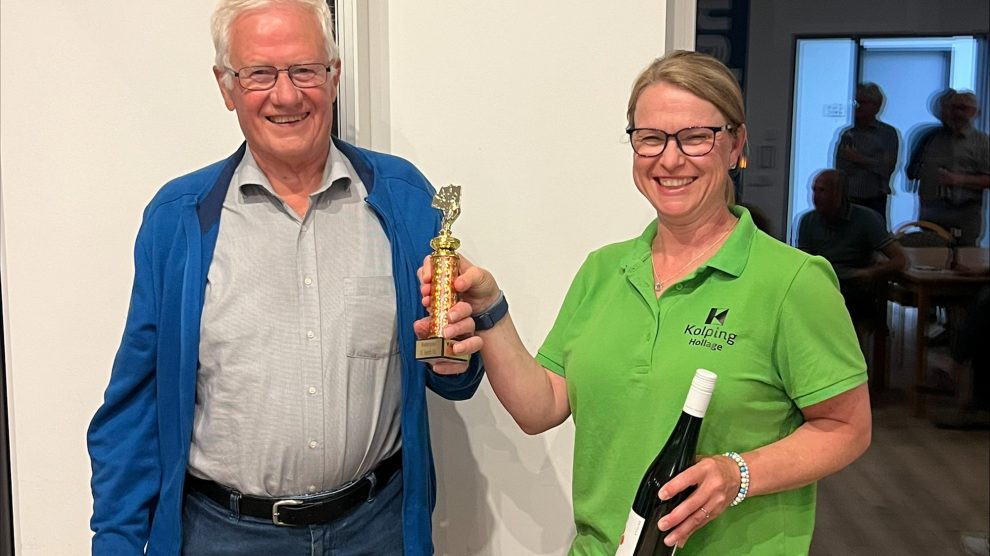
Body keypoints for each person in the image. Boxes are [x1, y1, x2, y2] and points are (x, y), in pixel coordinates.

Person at [416, 50, 872, 554]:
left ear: (735, 144)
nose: (670, 159)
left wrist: (737, 473)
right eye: (650, 138)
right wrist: (489, 306)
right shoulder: (604, 269)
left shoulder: (793, 282)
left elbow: (846, 427)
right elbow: (539, 407)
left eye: (696, 137)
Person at [86, 1, 484, 554]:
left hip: (376, 530)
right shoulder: (178, 220)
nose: (287, 95)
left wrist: (457, 357)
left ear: (334, 76)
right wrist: (117, 542)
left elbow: (452, 372)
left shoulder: (405, 200)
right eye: (260, 74)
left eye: (304, 70)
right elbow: (134, 407)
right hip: (223, 535)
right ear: (226, 87)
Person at [797, 169, 907, 338]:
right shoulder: (808, 221)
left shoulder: (866, 219)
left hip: (855, 284)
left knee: (846, 301)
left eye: (822, 190)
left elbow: (899, 260)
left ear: (838, 193)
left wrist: (869, 272)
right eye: (814, 190)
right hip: (822, 282)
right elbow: (805, 260)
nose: (815, 196)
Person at [907, 89, 990, 246]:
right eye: (953, 107)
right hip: (932, 212)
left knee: (964, 257)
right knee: (930, 258)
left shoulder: (982, 142)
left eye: (962, 108)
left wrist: (959, 180)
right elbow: (913, 172)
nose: (956, 113)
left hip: (965, 213)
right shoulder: (931, 137)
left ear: (974, 112)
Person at [835, 83, 900, 225]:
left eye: (863, 102)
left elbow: (886, 167)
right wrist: (870, 162)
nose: (858, 106)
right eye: (856, 102)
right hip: (849, 198)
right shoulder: (848, 133)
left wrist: (857, 159)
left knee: (875, 237)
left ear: (876, 106)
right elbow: (841, 167)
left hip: (874, 197)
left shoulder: (887, 133)